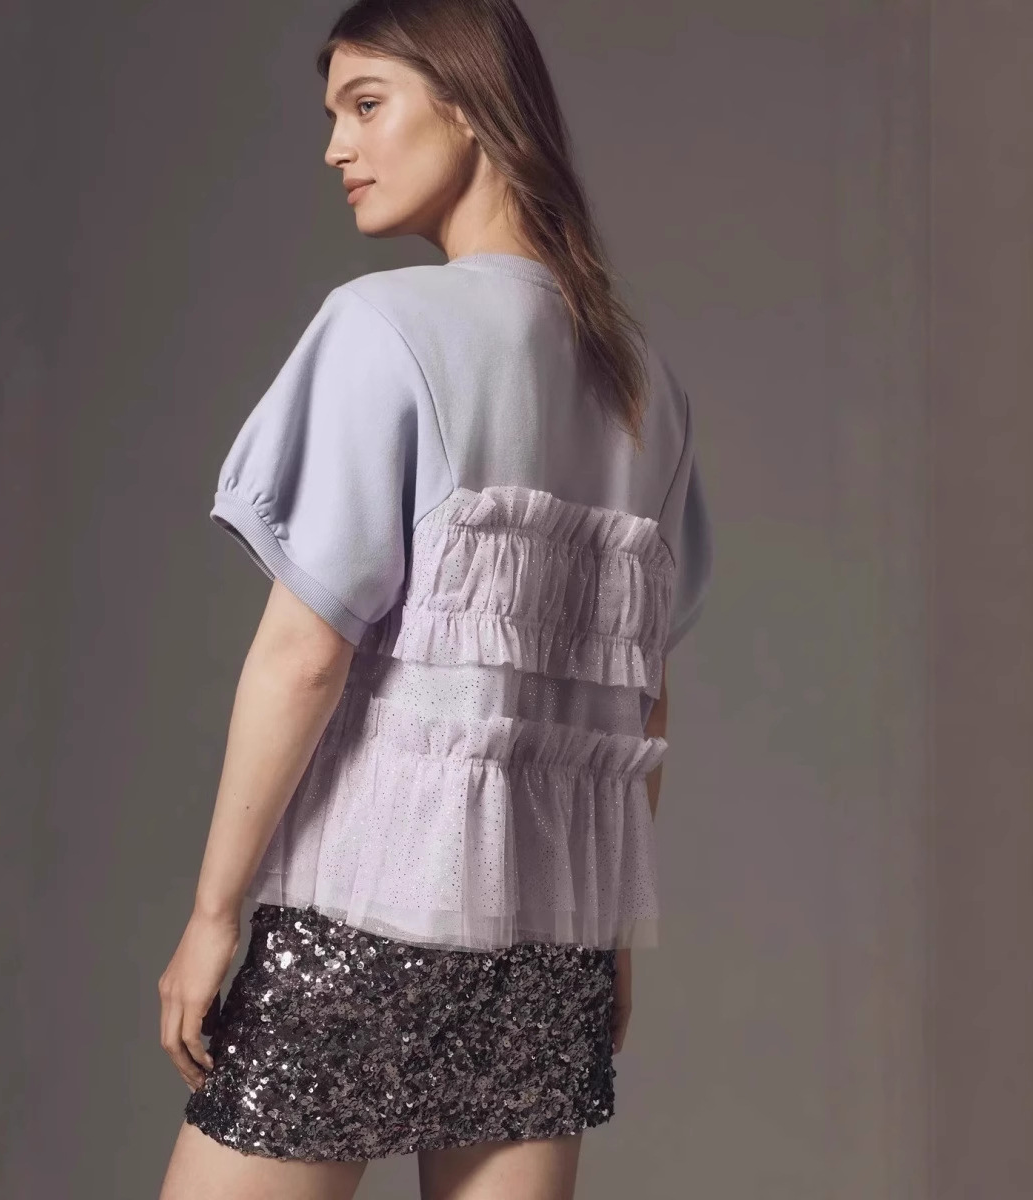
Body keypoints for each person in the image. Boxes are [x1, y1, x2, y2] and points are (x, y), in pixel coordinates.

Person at [157, 1, 713, 1197]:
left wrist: (213, 915)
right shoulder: (643, 382)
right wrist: (607, 932)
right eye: (333, 116)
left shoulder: (383, 328)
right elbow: (642, 702)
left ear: (470, 108)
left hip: (365, 917)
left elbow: (304, 656)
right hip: (549, 946)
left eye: (367, 105)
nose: (335, 148)